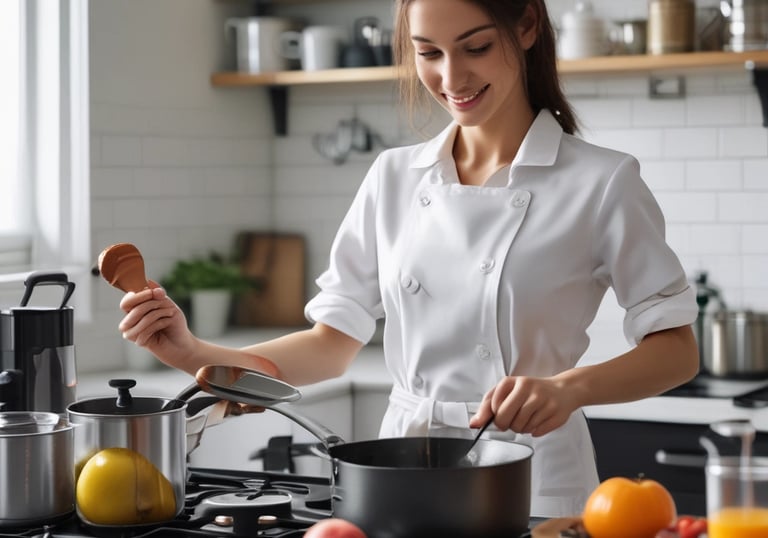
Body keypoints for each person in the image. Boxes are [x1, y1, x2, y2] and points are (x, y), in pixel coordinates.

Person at [117, 0, 699, 518]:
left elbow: (676, 350)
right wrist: (193, 352)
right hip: (401, 472)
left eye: (475, 47)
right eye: (429, 53)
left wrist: (569, 389)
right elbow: (329, 346)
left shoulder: (601, 181)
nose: (452, 77)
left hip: (535, 479)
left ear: (526, 25)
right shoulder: (393, 176)